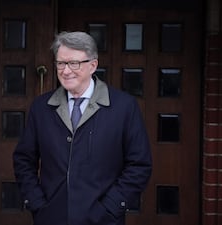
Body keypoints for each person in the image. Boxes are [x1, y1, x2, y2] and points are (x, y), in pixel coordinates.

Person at [13, 31, 152, 225]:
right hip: (51, 218)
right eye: (61, 63)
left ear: (93, 65)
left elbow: (139, 164)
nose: (66, 71)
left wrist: (111, 207)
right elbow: (23, 160)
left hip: (103, 220)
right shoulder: (41, 107)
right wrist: (37, 204)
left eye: (74, 63)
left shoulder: (124, 107)